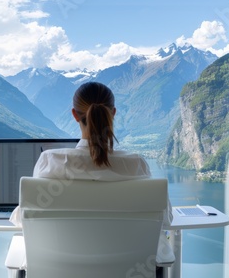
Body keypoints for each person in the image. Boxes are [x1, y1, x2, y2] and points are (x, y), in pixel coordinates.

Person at [9, 81, 174, 264]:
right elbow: (165, 219)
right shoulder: (136, 164)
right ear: (113, 113)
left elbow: (24, 218)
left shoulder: (50, 161)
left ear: (74, 115)